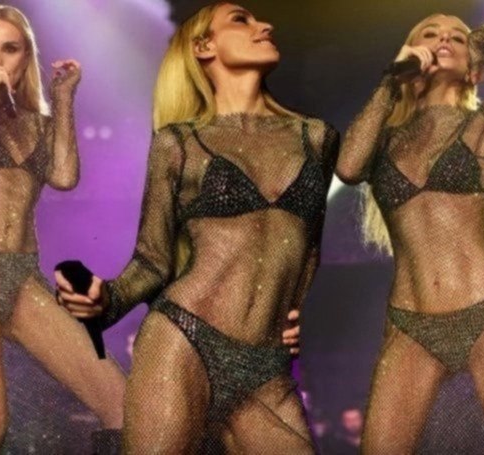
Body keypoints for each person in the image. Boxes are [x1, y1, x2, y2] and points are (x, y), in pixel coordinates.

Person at [57, 2, 338, 452]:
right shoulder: (178, 143)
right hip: (185, 338)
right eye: (241, 19)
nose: (265, 25)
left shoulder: (316, 138)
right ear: (204, 46)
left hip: (267, 367)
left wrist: (300, 310)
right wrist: (104, 299)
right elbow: (152, 262)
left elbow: (309, 251)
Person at [336, 13, 484, 453]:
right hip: (410, 324)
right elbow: (348, 167)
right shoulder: (386, 139)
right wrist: (392, 80)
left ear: (474, 69)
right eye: (430, 34)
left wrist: (481, 39)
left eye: (455, 37)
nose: (444, 40)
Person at [0, 5, 126, 453]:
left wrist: (64, 99)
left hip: (22, 275)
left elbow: (65, 177)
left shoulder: (37, 122)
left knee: (121, 403)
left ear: (25, 56)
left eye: (10, 49)